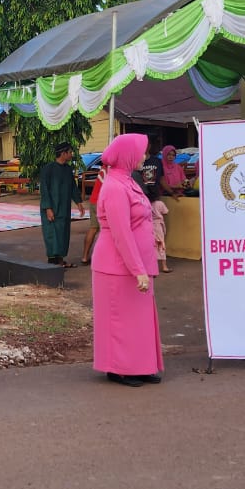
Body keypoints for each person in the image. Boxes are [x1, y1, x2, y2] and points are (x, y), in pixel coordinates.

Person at [90, 133, 163, 388]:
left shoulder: (128, 182)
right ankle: (120, 368)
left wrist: (152, 241)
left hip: (137, 263)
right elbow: (121, 234)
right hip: (118, 265)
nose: (145, 156)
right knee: (122, 320)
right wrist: (137, 270)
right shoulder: (114, 187)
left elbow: (139, 218)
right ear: (129, 155)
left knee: (138, 318)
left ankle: (140, 365)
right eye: (142, 152)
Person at [38, 141, 82, 267]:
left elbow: (73, 187)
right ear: (63, 154)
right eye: (70, 152)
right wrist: (48, 208)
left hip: (64, 208)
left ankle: (61, 261)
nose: (71, 154)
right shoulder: (48, 169)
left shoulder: (68, 170)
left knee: (63, 233)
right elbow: (44, 190)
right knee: (52, 234)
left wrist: (78, 202)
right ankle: (52, 263)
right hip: (51, 208)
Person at [80, 164, 105, 264]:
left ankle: (85, 257)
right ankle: (102, 258)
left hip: (94, 200)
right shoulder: (112, 169)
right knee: (106, 231)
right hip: (102, 202)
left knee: (93, 228)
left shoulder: (104, 168)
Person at [149, 185, 172, 274]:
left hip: (149, 225)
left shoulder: (146, 203)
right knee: (161, 244)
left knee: (152, 245)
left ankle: (152, 267)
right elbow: (166, 212)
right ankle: (164, 266)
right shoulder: (159, 203)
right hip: (158, 225)